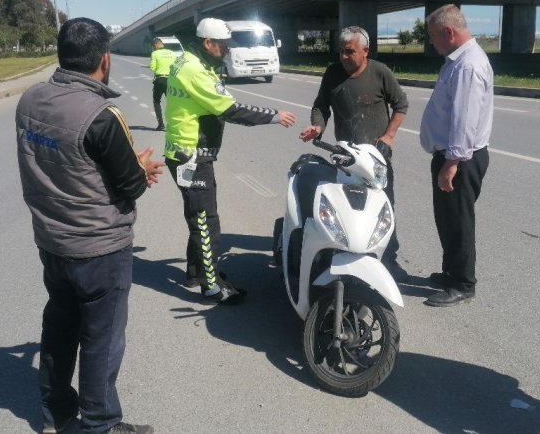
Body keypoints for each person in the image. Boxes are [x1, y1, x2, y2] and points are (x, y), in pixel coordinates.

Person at [16, 17, 164, 434]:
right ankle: (100, 425)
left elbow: (63, 164)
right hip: (99, 248)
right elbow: (130, 186)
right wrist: (140, 168)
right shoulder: (102, 115)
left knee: (60, 324)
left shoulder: (30, 100)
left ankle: (56, 412)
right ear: (105, 59)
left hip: (52, 241)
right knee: (101, 340)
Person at [165, 17, 297, 304]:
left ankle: (194, 271)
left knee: (197, 216)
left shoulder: (187, 60)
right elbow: (232, 109)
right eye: (223, 46)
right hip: (191, 156)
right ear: (207, 43)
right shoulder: (195, 71)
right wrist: (274, 116)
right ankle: (212, 287)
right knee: (206, 221)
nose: (226, 51)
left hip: (183, 152)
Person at [298, 25, 410, 281]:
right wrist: (318, 126)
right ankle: (342, 254)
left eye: (350, 52)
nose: (344, 57)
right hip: (346, 158)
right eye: (341, 52)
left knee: (383, 210)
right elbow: (321, 105)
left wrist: (389, 136)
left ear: (365, 51)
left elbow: (401, 105)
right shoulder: (333, 73)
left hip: (375, 160)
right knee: (345, 208)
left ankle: (388, 259)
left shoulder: (380, 73)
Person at [419, 4, 494, 308]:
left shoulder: (468, 65)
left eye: (434, 37)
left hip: (460, 158)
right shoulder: (457, 60)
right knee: (447, 218)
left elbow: (466, 119)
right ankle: (451, 272)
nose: (431, 43)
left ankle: (463, 283)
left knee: (459, 220)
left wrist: (452, 162)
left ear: (449, 32)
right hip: (451, 155)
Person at [149, 37, 178, 131]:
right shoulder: (172, 53)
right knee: (171, 102)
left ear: (155, 45)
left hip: (160, 80)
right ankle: (174, 124)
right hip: (171, 79)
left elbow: (153, 68)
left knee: (156, 101)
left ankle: (161, 124)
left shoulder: (155, 53)